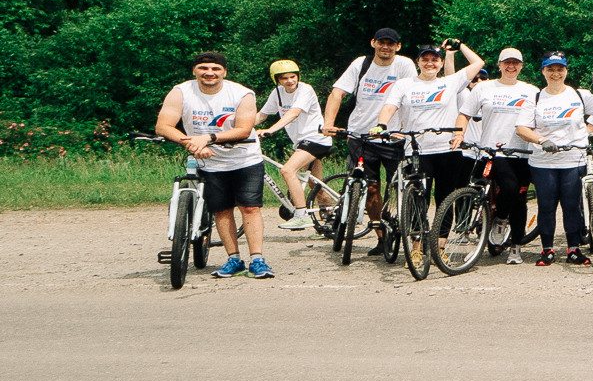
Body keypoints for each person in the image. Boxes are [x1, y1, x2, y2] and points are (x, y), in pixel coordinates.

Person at [157, 51, 270, 278]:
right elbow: (163, 126)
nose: (210, 73)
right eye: (204, 68)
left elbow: (243, 129)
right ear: (194, 71)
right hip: (208, 161)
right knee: (221, 209)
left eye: (216, 69)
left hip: (244, 158)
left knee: (250, 207)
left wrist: (207, 138)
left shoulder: (242, 94)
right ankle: (233, 259)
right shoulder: (180, 92)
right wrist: (191, 144)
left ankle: (257, 259)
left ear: (224, 72)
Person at [322, 28, 418, 244]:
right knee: (370, 187)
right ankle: (381, 236)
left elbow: (414, 95)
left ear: (398, 46)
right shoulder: (361, 64)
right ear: (373, 43)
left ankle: (408, 231)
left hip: (394, 138)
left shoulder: (404, 65)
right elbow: (337, 93)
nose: (386, 47)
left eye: (391, 44)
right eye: (381, 42)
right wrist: (328, 123)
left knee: (402, 187)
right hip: (361, 136)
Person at [516, 53, 593, 265]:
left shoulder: (579, 94)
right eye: (550, 69)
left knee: (572, 205)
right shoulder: (535, 98)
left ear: (566, 71)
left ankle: (573, 249)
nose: (555, 73)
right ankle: (547, 250)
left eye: (559, 69)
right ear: (543, 71)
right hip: (544, 161)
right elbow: (521, 129)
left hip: (573, 159)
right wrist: (541, 140)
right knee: (547, 205)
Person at [383, 38, 485, 206]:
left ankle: (442, 233)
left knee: (444, 197)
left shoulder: (449, 82)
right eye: (425, 59)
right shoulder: (404, 84)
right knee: (417, 198)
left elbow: (478, 63)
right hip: (416, 150)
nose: (430, 63)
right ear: (418, 62)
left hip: (447, 149)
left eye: (435, 60)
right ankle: (416, 231)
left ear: (441, 62)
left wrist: (459, 47)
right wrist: (382, 125)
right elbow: (389, 107)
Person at [471, 49, 540, 264]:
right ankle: (497, 219)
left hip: (522, 152)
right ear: (499, 65)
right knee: (503, 189)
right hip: (492, 150)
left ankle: (515, 247)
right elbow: (465, 113)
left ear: (521, 66)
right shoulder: (484, 87)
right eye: (507, 63)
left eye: (516, 63)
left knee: (518, 198)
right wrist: (458, 134)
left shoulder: (532, 90)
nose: (511, 67)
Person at [260, 58, 329, 230]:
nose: (290, 81)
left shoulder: (306, 89)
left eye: (293, 76)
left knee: (287, 170)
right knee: (315, 185)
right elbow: (261, 115)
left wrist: (270, 130)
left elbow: (294, 113)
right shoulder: (277, 93)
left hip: (316, 138)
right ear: (277, 80)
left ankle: (301, 214)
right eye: (284, 78)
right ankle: (330, 222)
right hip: (301, 142)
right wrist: (241, 128)